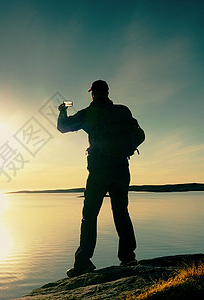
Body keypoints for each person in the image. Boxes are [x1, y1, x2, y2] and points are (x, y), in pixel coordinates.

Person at [57, 80, 138, 277]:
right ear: (108, 92)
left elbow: (63, 127)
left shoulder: (88, 113)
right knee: (121, 213)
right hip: (121, 168)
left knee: (89, 216)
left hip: (99, 170)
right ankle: (128, 258)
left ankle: (83, 262)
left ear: (93, 94)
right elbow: (138, 133)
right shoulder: (123, 111)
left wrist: (62, 111)